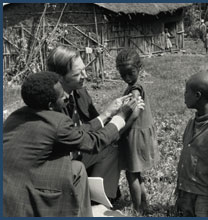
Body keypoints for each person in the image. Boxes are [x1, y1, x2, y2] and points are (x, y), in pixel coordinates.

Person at [3, 71, 143, 217]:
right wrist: (121, 116)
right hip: (27, 199)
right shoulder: (57, 121)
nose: (66, 96)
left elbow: (75, 133)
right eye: (61, 95)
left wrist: (106, 114)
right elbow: (95, 143)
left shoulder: (16, 116)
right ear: (51, 105)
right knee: (77, 169)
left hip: (8, 191)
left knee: (74, 168)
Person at [47, 45, 128, 201]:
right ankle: (80, 200)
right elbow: (75, 136)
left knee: (111, 148)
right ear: (60, 77)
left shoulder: (80, 91)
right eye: (78, 73)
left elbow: (95, 125)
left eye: (84, 69)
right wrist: (113, 117)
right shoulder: (52, 102)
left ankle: (99, 199)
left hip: (79, 151)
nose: (85, 75)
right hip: (60, 162)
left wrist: (112, 114)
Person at [116, 48, 160, 212]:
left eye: (130, 73)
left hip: (134, 135)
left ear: (139, 68)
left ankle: (137, 209)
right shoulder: (137, 85)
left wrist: (120, 130)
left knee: (131, 174)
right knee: (137, 172)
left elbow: (134, 110)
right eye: (123, 74)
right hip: (141, 134)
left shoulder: (135, 88)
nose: (127, 78)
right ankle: (144, 205)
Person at [176, 72, 208, 217]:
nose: (184, 95)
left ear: (198, 95)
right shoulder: (191, 123)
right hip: (185, 194)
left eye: (187, 91)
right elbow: (185, 159)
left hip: (203, 201)